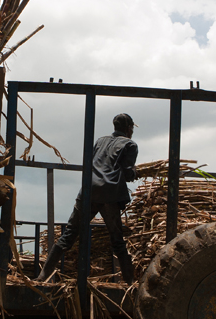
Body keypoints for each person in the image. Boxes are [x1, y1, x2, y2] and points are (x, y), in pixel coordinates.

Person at [37, 113, 139, 284]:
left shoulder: (100, 141)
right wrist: (135, 172)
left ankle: (42, 276)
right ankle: (130, 282)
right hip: (109, 194)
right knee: (117, 241)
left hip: (88, 191)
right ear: (129, 128)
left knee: (68, 235)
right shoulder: (130, 144)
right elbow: (128, 173)